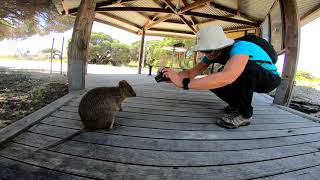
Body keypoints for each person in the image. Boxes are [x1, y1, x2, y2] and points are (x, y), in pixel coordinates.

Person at [159, 25, 281, 129]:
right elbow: (191, 73)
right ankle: (237, 105)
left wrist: (185, 84)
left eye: (208, 50)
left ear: (220, 46)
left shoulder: (241, 47)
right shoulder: (212, 53)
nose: (205, 54)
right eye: (203, 50)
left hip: (269, 80)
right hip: (249, 77)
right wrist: (172, 76)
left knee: (241, 70)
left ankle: (245, 114)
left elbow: (228, 77)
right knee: (212, 80)